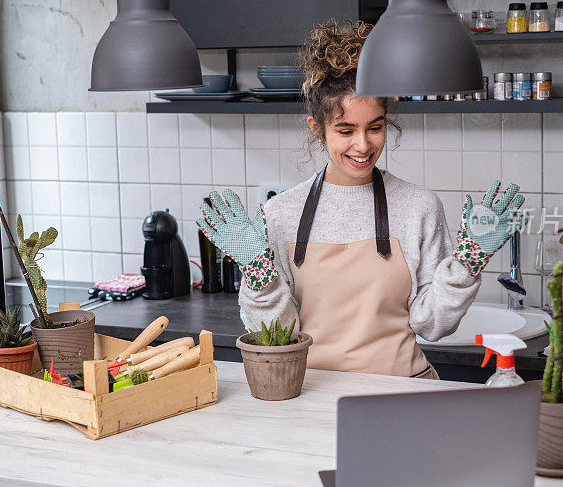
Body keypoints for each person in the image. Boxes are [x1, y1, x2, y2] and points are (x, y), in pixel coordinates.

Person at [198, 20, 526, 379]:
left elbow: (432, 326)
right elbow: (279, 335)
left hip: (404, 393)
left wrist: (467, 264)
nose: (363, 145)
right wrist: (258, 276)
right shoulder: (281, 214)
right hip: (313, 399)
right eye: (345, 130)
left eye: (375, 126)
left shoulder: (418, 206)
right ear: (317, 129)